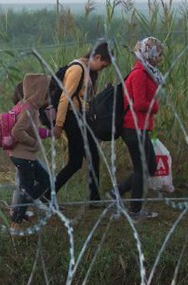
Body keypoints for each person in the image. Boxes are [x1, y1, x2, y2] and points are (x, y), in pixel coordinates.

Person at [108, 37, 164, 220]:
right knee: (142, 168)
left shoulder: (146, 72)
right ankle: (135, 211)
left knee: (150, 166)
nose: (160, 57)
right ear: (149, 54)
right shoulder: (139, 74)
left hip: (140, 127)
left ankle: (117, 192)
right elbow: (139, 103)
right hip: (133, 127)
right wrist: (155, 106)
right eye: (157, 53)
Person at [50, 40, 113, 204]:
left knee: (86, 159)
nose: (102, 69)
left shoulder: (87, 70)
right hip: (72, 119)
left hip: (79, 118)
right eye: (103, 65)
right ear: (97, 57)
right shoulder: (77, 69)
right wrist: (58, 125)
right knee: (79, 161)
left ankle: (93, 198)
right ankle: (47, 194)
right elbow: (65, 98)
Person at [9, 74, 51, 229]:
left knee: (43, 181)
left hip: (24, 155)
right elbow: (17, 131)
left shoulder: (25, 105)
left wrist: (46, 134)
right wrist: (33, 142)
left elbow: (30, 129)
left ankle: (20, 209)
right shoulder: (29, 109)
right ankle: (16, 221)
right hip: (23, 156)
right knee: (29, 187)